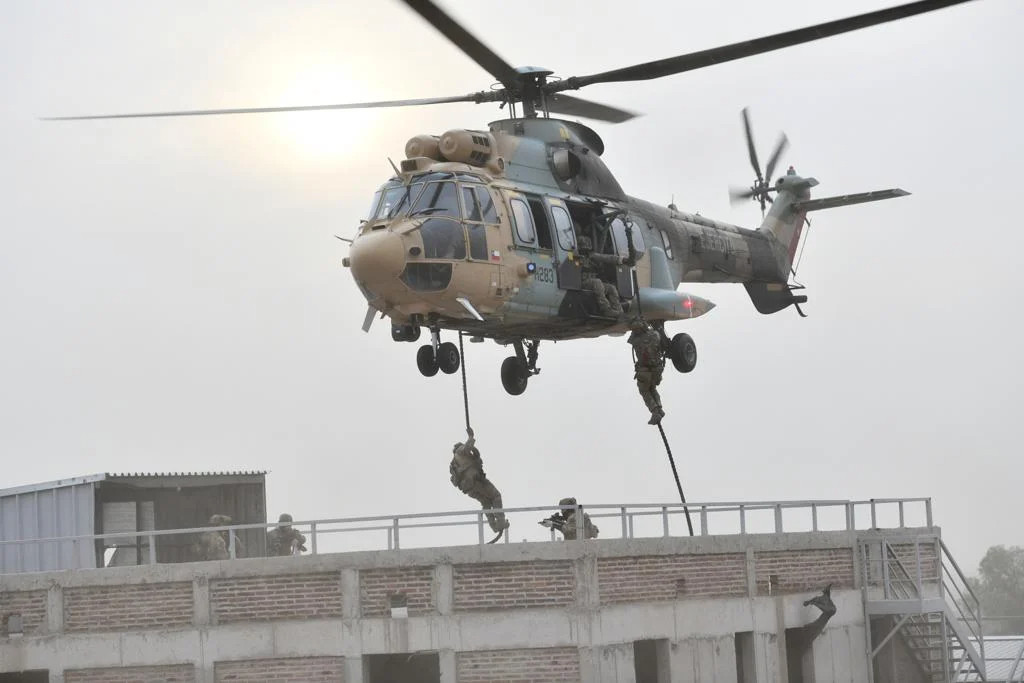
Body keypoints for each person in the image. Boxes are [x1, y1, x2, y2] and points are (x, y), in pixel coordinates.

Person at [449, 427, 509, 536]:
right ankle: (499, 523)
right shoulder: (460, 451)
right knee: (496, 496)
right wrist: (471, 437)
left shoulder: (455, 463)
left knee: (486, 502)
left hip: (469, 488)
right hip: (476, 481)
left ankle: (494, 526)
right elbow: (467, 448)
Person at [628, 317, 666, 425]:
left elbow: (630, 338)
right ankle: (659, 408)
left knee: (644, 390)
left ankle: (655, 412)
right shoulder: (654, 335)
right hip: (657, 370)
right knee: (652, 388)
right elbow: (659, 337)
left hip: (645, 372)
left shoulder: (635, 340)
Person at [576, 234, 624, 317]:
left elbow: (606, 258)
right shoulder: (575, 257)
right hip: (581, 283)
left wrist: (620, 260)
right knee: (597, 282)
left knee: (611, 288)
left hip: (592, 284)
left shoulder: (592, 256)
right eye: (583, 249)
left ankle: (618, 310)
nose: (585, 251)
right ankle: (606, 309)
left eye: (587, 249)